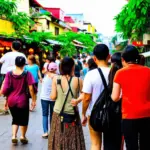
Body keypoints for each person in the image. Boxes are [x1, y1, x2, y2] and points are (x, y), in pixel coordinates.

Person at [111, 45, 150, 150]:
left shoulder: (120, 73)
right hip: (147, 115)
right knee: (146, 145)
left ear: (123, 59)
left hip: (129, 116)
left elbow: (114, 97)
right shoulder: (148, 71)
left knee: (131, 146)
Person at [75, 44, 110, 150]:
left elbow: (86, 98)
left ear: (94, 58)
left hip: (94, 114)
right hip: (111, 114)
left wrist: (83, 114)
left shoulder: (91, 75)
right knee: (109, 144)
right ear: (109, 56)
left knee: (95, 143)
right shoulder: (115, 73)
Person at [48, 57, 85, 150]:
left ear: (61, 67)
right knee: (73, 137)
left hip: (58, 113)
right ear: (73, 67)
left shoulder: (56, 79)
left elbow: (52, 97)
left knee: (58, 136)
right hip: (73, 114)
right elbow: (85, 94)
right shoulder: (78, 80)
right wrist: (77, 100)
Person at [0, 56, 36, 144]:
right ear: (24, 64)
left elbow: (6, 88)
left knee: (15, 119)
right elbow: (31, 89)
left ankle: (13, 136)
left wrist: (6, 100)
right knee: (24, 119)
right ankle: (23, 136)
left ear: (15, 64)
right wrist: (34, 100)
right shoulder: (27, 74)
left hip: (11, 100)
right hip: (22, 100)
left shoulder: (9, 74)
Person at [103, 52, 122, 150]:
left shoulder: (110, 73)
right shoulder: (122, 72)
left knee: (109, 139)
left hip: (110, 110)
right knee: (120, 138)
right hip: (122, 110)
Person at [40, 62, 57, 139]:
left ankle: (45, 132)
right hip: (53, 98)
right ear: (56, 69)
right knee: (52, 115)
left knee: (45, 114)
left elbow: (43, 71)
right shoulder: (57, 77)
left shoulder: (46, 75)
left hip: (44, 98)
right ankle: (52, 131)